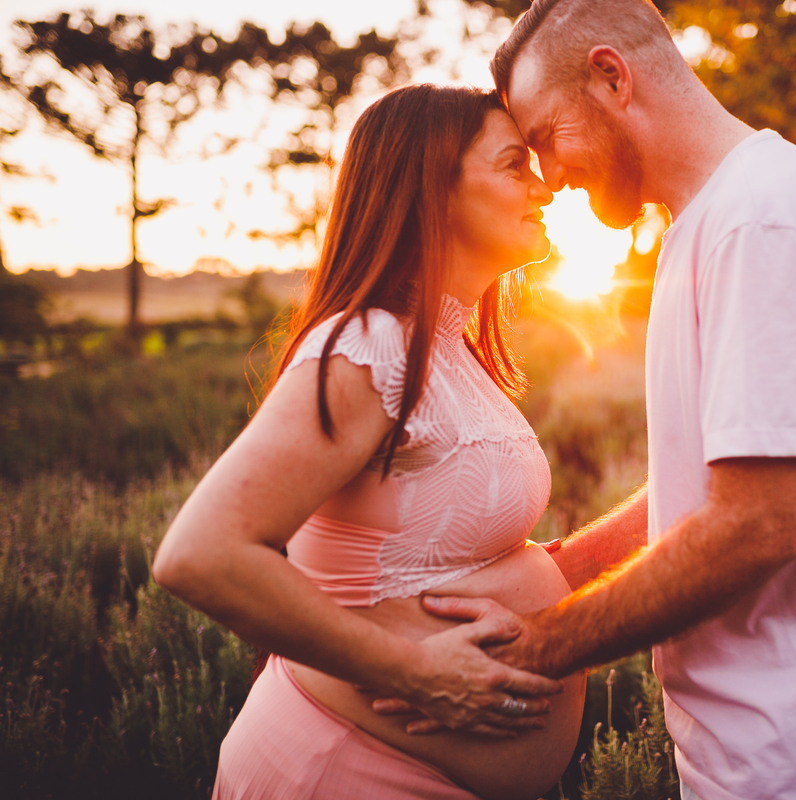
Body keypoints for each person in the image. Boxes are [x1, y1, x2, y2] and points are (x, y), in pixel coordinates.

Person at [409, 1, 796, 798]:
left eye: (545, 139)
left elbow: (752, 527)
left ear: (611, 77)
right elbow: (709, 484)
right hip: (775, 755)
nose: (548, 180)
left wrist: (532, 653)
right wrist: (555, 573)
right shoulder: (710, 222)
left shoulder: (760, 223)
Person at [152, 84, 587, 800]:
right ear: (430, 188)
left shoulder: (448, 346)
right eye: (515, 165)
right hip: (342, 770)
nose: (545, 185)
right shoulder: (370, 345)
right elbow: (200, 555)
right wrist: (417, 674)